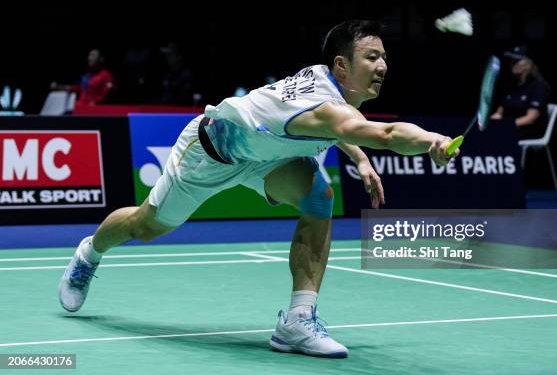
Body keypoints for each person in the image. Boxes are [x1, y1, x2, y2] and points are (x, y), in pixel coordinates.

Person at [58, 20, 457, 358]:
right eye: (372, 57)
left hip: (265, 157)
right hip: (212, 152)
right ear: (341, 63)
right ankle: (89, 253)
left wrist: (358, 157)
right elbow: (382, 132)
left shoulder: (326, 86)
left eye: (385, 57)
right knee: (147, 225)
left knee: (320, 197)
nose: (383, 65)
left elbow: (338, 126)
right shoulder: (325, 105)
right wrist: (432, 141)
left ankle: (298, 321)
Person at [490, 45, 551, 139]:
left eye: (517, 60)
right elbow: (499, 113)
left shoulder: (539, 86)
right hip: (507, 130)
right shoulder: (511, 85)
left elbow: (531, 118)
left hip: (528, 132)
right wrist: (488, 123)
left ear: (529, 63)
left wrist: (505, 127)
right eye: (512, 60)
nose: (512, 63)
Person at [51, 49, 116, 111]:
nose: (90, 58)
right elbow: (77, 88)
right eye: (89, 56)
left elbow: (108, 93)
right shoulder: (86, 76)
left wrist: (96, 102)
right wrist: (60, 87)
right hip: (79, 108)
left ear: (101, 59)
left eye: (93, 55)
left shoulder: (106, 75)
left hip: (95, 110)